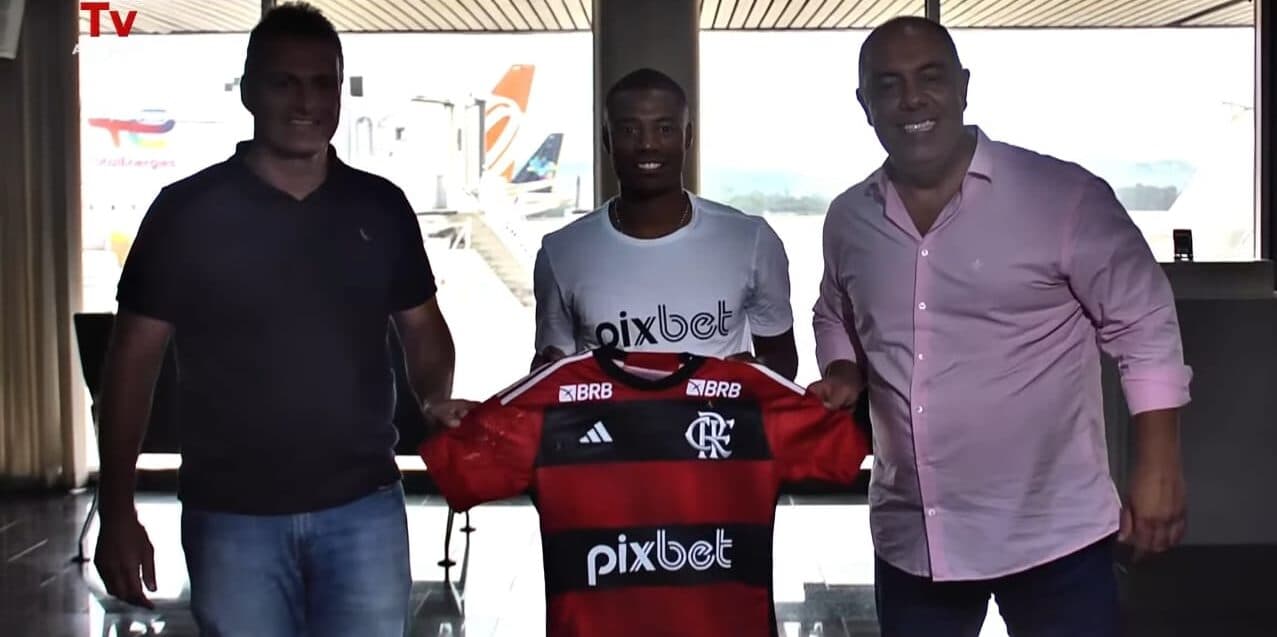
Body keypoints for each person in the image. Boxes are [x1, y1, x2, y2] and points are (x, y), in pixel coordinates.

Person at [808, 16, 1192, 637]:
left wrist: (1159, 465)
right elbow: (834, 311)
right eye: (888, 84)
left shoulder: (1064, 197)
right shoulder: (849, 219)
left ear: (963, 86)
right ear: (864, 103)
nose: (912, 99)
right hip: (914, 534)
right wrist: (844, 368)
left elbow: (1145, 327)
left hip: (1054, 534)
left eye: (930, 77)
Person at [92, 4, 459, 635]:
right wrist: (117, 508)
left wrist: (433, 400)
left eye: (322, 83)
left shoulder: (381, 207)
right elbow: (130, 365)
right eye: (284, 82)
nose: (305, 101)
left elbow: (425, 331)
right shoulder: (186, 213)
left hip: (364, 511)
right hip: (231, 517)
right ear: (248, 91)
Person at [531, 68, 799, 379]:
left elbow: (782, 359)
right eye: (629, 130)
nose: (648, 145)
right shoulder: (561, 252)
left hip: (715, 413)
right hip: (608, 414)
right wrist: (543, 369)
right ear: (607, 139)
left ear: (688, 136)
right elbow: (550, 375)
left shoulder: (751, 240)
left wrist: (757, 371)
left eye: (665, 129)